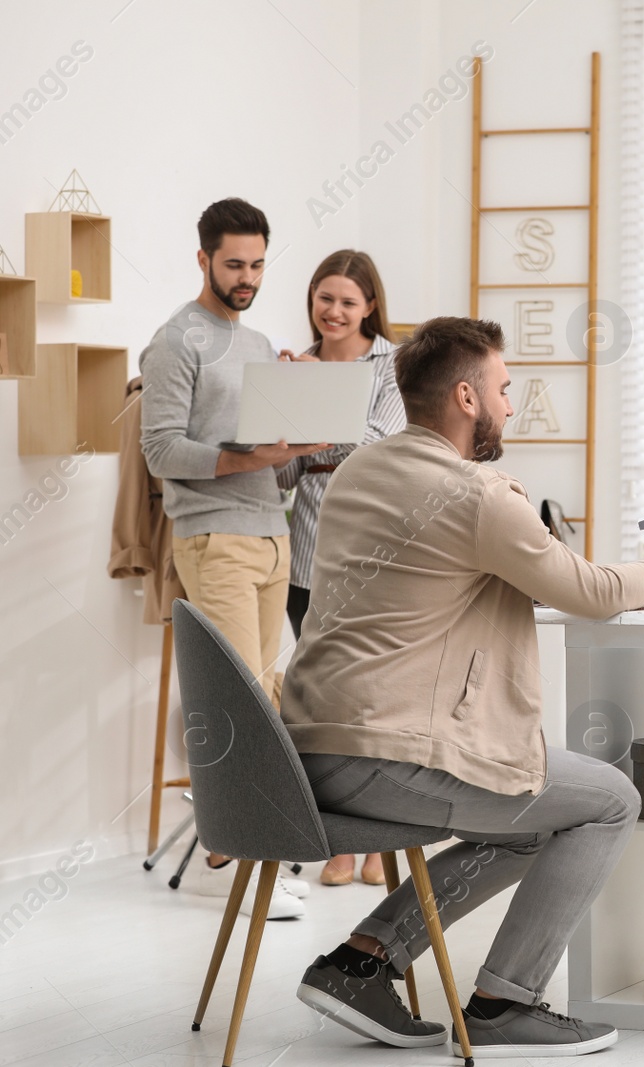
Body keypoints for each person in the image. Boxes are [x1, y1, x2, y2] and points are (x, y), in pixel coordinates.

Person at [281, 316, 644, 1056]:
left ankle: (361, 962)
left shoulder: (362, 467)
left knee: (545, 807)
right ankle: (503, 1005)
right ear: (466, 396)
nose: (511, 405)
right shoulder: (473, 495)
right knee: (612, 799)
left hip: (311, 750)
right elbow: (591, 589)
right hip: (388, 757)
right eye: (504, 387)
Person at [140, 198, 323, 920]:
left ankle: (260, 846)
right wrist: (249, 454)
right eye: (233, 264)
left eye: (256, 265)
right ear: (203, 259)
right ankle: (238, 859)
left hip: (270, 531)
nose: (246, 278)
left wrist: (294, 446)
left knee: (269, 697)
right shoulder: (175, 341)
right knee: (241, 698)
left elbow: (268, 465)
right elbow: (161, 450)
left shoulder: (257, 345)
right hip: (213, 535)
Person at [275, 250, 407, 889]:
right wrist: (285, 421)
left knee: (372, 698)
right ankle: (340, 841)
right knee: (321, 700)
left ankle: (382, 841)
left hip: (372, 545)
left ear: (370, 307)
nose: (333, 312)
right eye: (324, 299)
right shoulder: (296, 365)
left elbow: (377, 440)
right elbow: (281, 471)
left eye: (347, 302)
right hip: (305, 552)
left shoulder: (393, 364)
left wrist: (304, 413)